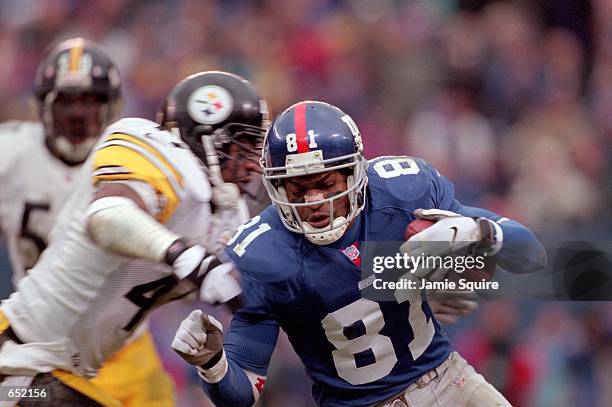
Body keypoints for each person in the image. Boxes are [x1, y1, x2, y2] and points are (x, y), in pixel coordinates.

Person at [172, 101, 547, 406]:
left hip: (451, 383)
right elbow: (242, 392)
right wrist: (213, 364)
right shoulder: (263, 254)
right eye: (297, 188)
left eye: (325, 183)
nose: (315, 200)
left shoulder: (403, 193)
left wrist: (478, 232)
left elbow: (531, 255)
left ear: (355, 175)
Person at [0, 70, 268, 406]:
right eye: (242, 149)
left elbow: (250, 295)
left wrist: (214, 360)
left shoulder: (226, 216)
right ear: (206, 139)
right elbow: (107, 214)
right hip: (17, 358)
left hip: (61, 372)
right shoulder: (155, 148)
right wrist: (189, 259)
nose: (252, 166)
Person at [0, 37, 178, 407]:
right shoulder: (12, 153)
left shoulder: (129, 157)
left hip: (123, 351)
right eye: (67, 101)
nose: (78, 114)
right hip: (35, 342)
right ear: (44, 105)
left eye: (90, 101)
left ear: (110, 106)